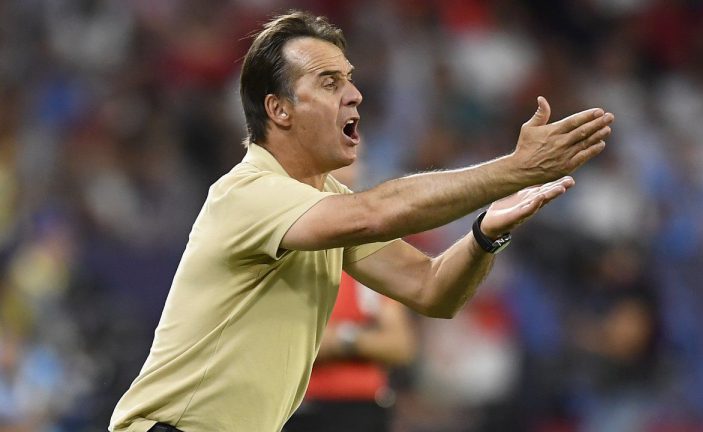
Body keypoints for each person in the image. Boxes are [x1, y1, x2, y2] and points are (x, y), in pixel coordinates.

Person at [109, 10, 614, 432]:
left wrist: (485, 233)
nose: (354, 95)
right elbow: (375, 212)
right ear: (279, 110)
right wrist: (512, 170)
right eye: (329, 83)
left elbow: (431, 287)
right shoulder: (247, 193)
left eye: (350, 79)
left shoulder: (325, 200)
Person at [282, 162, 417, 432]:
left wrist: (342, 339)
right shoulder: (284, 249)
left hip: (359, 409)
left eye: (355, 161)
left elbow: (400, 345)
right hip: (294, 406)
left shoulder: (368, 254)